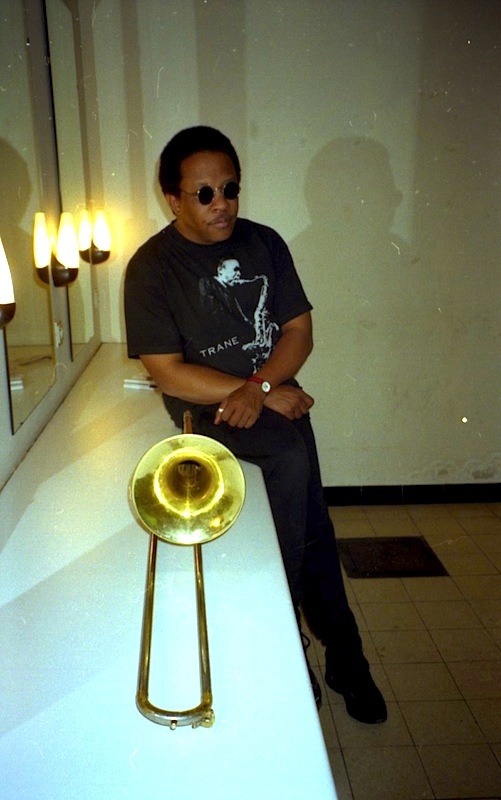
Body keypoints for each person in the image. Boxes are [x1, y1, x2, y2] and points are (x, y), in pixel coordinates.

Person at [124, 125, 387, 724]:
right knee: (296, 500)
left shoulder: (264, 242)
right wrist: (256, 392)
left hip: (271, 400)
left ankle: (341, 659)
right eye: (205, 194)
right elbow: (168, 373)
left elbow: (299, 332)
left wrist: (263, 388)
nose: (223, 205)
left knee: (313, 527)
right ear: (173, 199)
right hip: (214, 411)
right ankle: (301, 654)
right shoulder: (150, 267)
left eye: (230, 189)